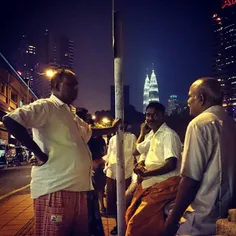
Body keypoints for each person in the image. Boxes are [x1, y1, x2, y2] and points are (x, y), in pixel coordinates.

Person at [3, 69, 120, 236]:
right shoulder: (46, 107)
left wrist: (112, 128)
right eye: (71, 85)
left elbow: (90, 131)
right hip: (57, 189)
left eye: (77, 86)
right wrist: (38, 152)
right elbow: (10, 120)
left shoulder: (69, 113)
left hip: (78, 189)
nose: (76, 89)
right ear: (56, 86)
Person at [164, 77, 236, 236]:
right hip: (227, 211)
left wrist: (173, 219)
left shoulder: (199, 124)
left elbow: (190, 180)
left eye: (190, 96)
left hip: (202, 217)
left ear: (201, 99)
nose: (188, 101)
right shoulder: (231, 123)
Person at [125, 102, 182, 236]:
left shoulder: (168, 135)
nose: (150, 118)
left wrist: (147, 173)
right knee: (130, 213)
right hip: (150, 183)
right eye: (148, 115)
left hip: (164, 184)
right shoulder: (153, 134)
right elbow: (136, 151)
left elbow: (171, 164)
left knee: (136, 223)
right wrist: (142, 134)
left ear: (163, 116)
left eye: (155, 115)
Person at [105, 123, 137, 235]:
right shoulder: (113, 139)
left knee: (125, 201)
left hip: (126, 173)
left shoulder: (132, 137)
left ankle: (124, 225)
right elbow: (109, 154)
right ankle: (117, 225)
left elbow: (136, 154)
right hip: (112, 173)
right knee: (113, 200)